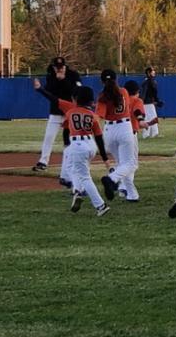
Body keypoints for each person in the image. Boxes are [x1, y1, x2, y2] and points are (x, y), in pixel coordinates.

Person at [33, 78, 111, 217]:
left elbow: (65, 127)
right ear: (91, 101)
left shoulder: (70, 112)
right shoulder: (93, 116)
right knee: (72, 168)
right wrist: (105, 158)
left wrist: (40, 89)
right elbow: (99, 137)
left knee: (84, 176)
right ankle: (77, 190)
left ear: (75, 99)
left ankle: (100, 205)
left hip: (77, 145)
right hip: (90, 145)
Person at [96, 69, 139, 203]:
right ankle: (112, 179)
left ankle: (132, 195)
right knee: (131, 164)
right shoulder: (124, 92)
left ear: (102, 82)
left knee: (122, 163)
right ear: (116, 79)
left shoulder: (102, 96)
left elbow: (99, 116)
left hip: (109, 130)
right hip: (124, 127)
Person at [33, 57, 81, 172]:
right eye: (57, 67)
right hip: (56, 111)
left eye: (61, 67)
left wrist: (64, 79)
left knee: (69, 139)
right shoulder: (51, 76)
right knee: (49, 137)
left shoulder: (73, 75)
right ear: (53, 67)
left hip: (70, 112)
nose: (59, 69)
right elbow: (50, 93)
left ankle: (70, 163)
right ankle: (43, 162)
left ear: (65, 66)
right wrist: (56, 79)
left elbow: (77, 91)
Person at [140, 67, 163, 138]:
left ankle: (154, 133)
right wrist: (142, 101)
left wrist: (157, 101)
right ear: (148, 73)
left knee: (153, 117)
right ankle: (146, 134)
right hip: (146, 103)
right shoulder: (147, 82)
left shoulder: (151, 81)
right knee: (147, 118)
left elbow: (154, 93)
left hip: (150, 102)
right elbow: (144, 93)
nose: (154, 72)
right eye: (152, 71)